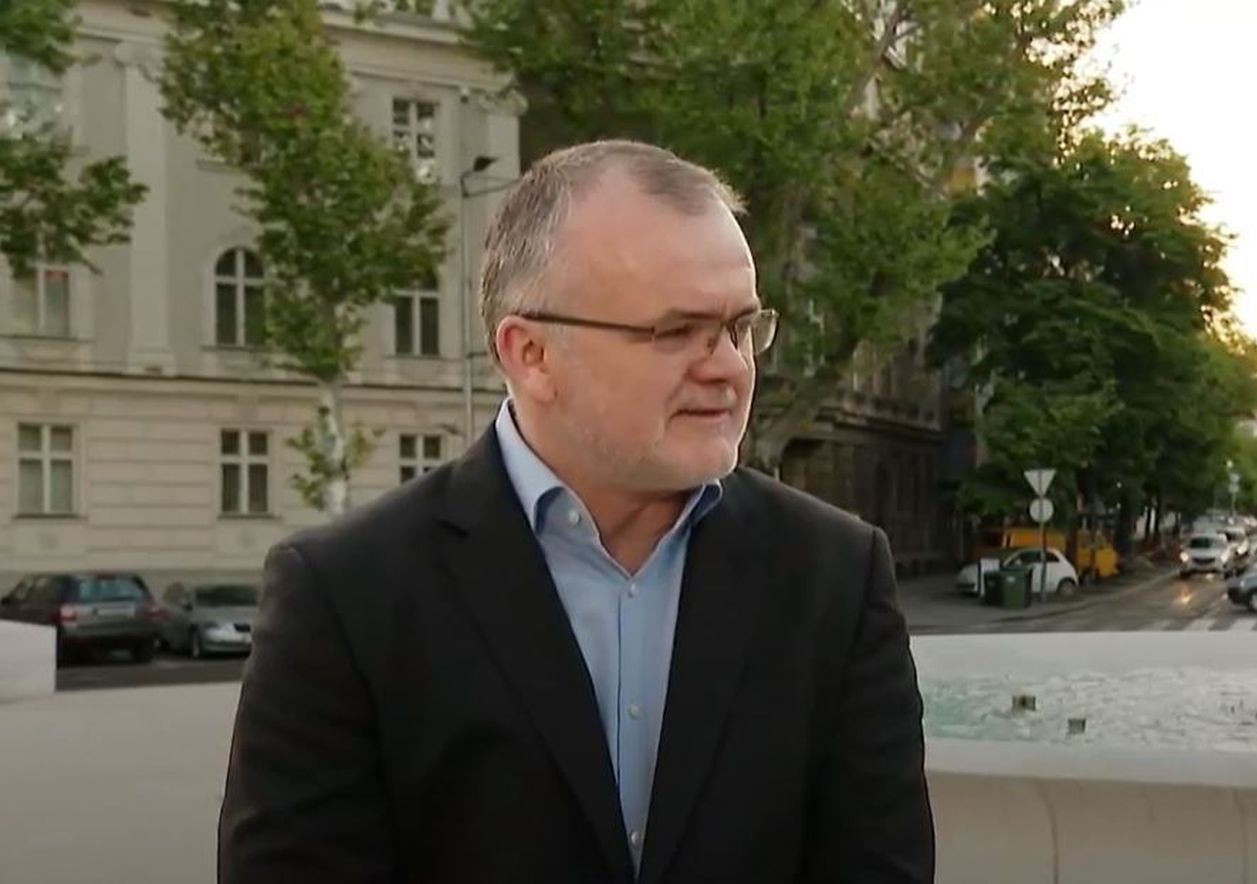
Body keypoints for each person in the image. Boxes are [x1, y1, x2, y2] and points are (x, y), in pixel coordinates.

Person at [216, 140, 935, 883]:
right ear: (531, 354)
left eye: (740, 328)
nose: (728, 367)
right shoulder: (346, 594)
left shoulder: (835, 576)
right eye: (676, 331)